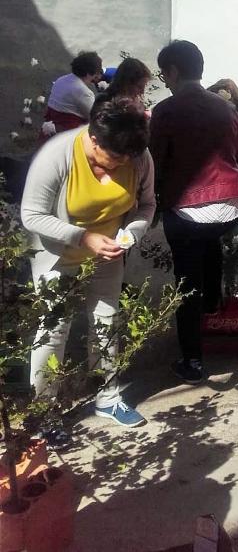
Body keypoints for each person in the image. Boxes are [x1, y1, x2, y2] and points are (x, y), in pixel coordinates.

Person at [21, 98, 155, 442]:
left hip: (107, 253)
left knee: (106, 323)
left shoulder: (137, 156)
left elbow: (146, 204)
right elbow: (32, 215)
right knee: (52, 331)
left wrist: (131, 234)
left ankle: (107, 398)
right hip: (58, 254)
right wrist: (82, 237)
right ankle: (44, 410)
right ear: (93, 138)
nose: (119, 166)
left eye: (126, 159)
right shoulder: (58, 154)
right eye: (113, 158)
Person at [149, 42, 238, 385]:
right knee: (210, 245)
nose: (165, 80)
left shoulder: (166, 110)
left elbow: (155, 163)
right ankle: (212, 308)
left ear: (173, 71)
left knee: (186, 280)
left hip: (191, 209)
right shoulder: (225, 109)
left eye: (164, 73)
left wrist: (153, 204)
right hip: (232, 205)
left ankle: (192, 359)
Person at [207, 79, 238, 297]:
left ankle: (231, 284)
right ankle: (211, 287)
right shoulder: (205, 122)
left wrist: (231, 135)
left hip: (236, 185)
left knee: (234, 240)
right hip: (209, 185)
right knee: (211, 241)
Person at [42, 51, 103, 137]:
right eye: (97, 72)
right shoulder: (83, 92)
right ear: (89, 73)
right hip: (67, 135)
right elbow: (94, 118)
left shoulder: (61, 80)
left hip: (48, 131)